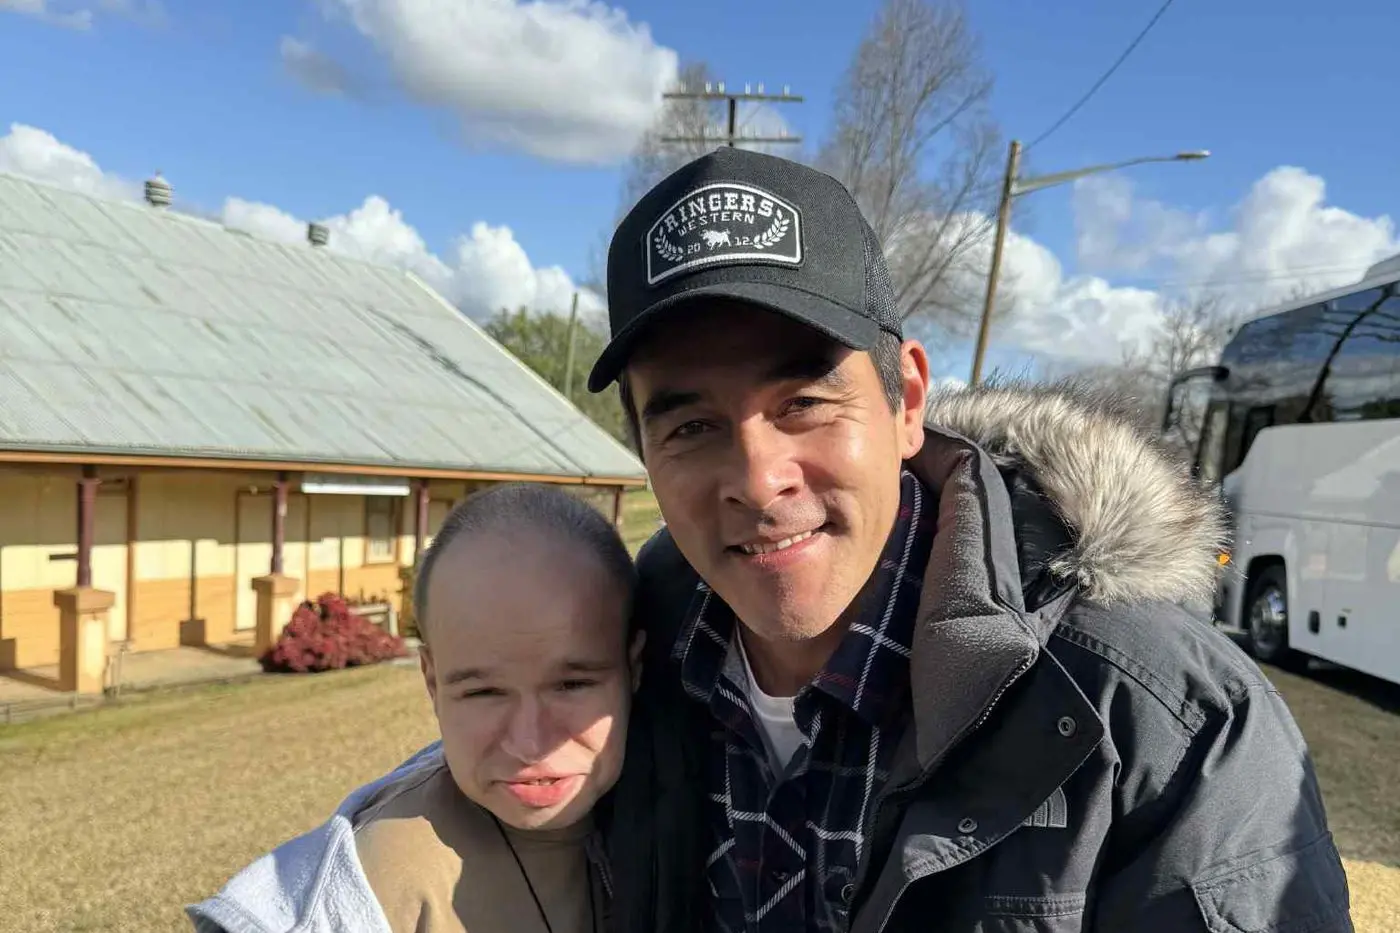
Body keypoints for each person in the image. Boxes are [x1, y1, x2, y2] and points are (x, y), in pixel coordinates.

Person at [589, 147, 1353, 932]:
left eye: (805, 402)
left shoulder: (1162, 720)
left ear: (908, 400)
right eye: (691, 426)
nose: (757, 479)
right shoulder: (625, 657)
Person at [186, 483, 644, 933]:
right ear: (432, 683)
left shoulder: (669, 805)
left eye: (571, 685)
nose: (530, 743)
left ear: (634, 669)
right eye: (484, 693)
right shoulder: (384, 889)